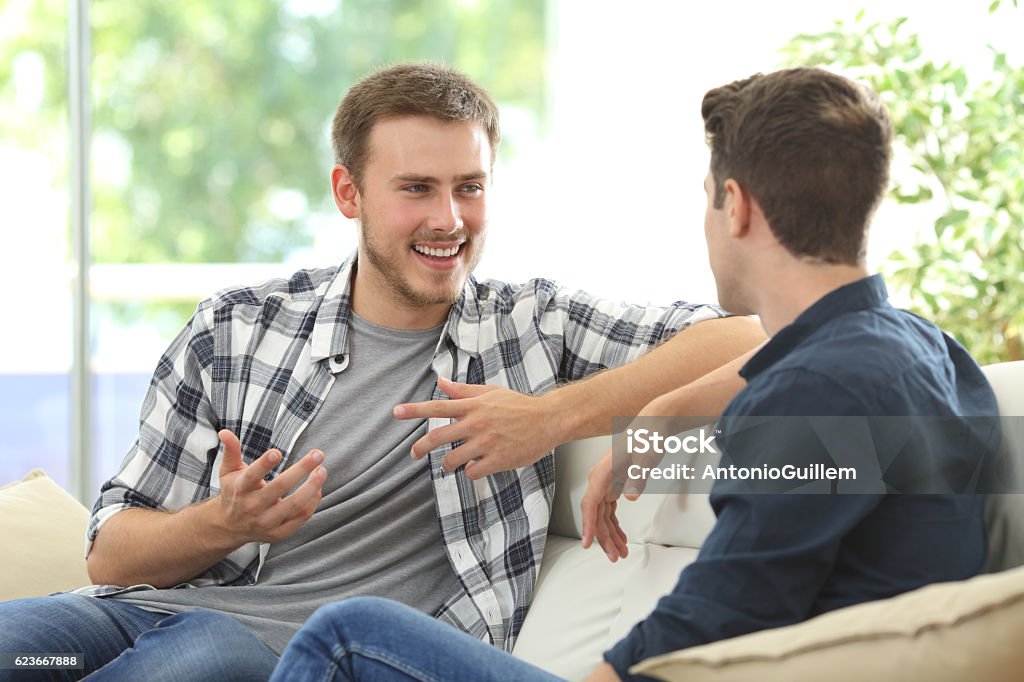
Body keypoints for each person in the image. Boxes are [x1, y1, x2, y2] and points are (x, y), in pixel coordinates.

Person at [0, 63, 763, 681]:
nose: (450, 219)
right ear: (347, 193)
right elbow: (109, 554)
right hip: (126, 615)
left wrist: (552, 419)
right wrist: (223, 523)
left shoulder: (532, 326)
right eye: (417, 189)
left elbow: (744, 334)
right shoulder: (235, 328)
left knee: (197, 657)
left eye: (470, 186)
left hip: (282, 659)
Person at [265, 67, 999, 682]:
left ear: (735, 208)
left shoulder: (822, 396)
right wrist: (668, 410)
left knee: (350, 634)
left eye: (707, 199)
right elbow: (825, 424)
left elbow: (716, 611)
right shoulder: (924, 351)